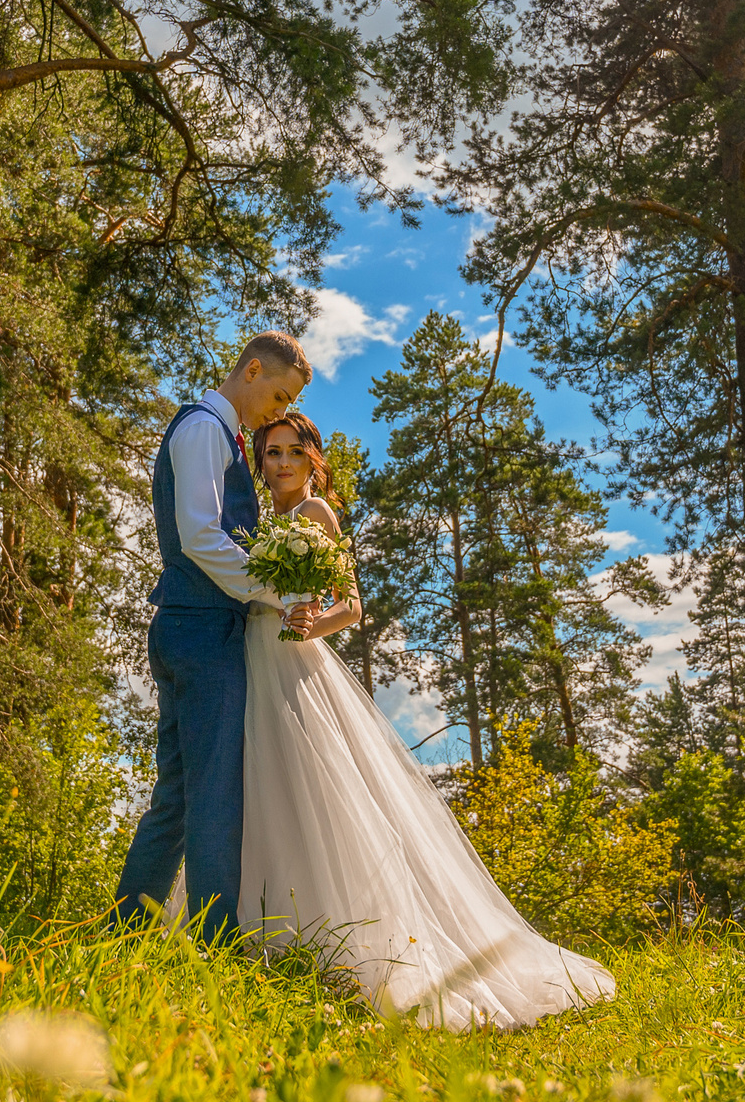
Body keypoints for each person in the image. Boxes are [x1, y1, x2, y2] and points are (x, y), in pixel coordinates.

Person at [239, 411, 615, 1029]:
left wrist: (308, 622)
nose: (281, 464)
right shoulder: (262, 522)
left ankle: (346, 948)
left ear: (313, 460)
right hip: (251, 661)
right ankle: (276, 940)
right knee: (268, 795)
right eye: (271, 453)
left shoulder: (315, 518)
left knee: (316, 796)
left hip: (293, 665)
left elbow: (350, 607)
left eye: (292, 453)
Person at [110, 332, 317, 940]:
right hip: (202, 629)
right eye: (279, 394)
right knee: (215, 793)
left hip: (184, 624)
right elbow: (201, 536)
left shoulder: (218, 434)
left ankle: (127, 929)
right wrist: (276, 591)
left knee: (175, 795)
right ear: (251, 370)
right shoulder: (204, 429)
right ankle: (216, 943)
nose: (280, 411)